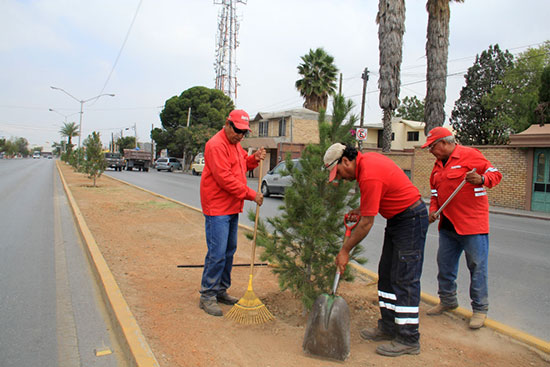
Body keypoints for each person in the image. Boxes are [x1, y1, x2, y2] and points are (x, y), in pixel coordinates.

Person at [324, 143, 428, 357]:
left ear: (346, 161)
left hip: (410, 219)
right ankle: (389, 326)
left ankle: (408, 338)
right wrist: (360, 210)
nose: (340, 178)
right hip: (398, 219)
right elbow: (374, 203)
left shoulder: (368, 173)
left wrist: (344, 251)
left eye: (339, 173)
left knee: (405, 278)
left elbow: (366, 224)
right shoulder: (365, 166)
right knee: (388, 275)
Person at [423, 127, 502, 329]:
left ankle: (480, 309)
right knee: (445, 264)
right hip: (448, 225)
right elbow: (435, 194)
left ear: (445, 143)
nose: (431, 151)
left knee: (477, 266)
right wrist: (433, 211)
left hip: (472, 225)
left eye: (433, 146)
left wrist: (482, 179)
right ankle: (448, 300)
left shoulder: (470, 155)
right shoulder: (436, 167)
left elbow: (495, 174)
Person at [199, 109, 266, 317]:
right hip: (217, 206)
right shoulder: (215, 145)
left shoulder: (236, 145)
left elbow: (241, 166)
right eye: (237, 130)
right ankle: (207, 294)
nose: (240, 135)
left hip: (231, 205)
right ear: (228, 124)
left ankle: (221, 290)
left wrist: (253, 159)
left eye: (244, 132)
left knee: (229, 250)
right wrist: (251, 194)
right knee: (217, 253)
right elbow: (225, 179)